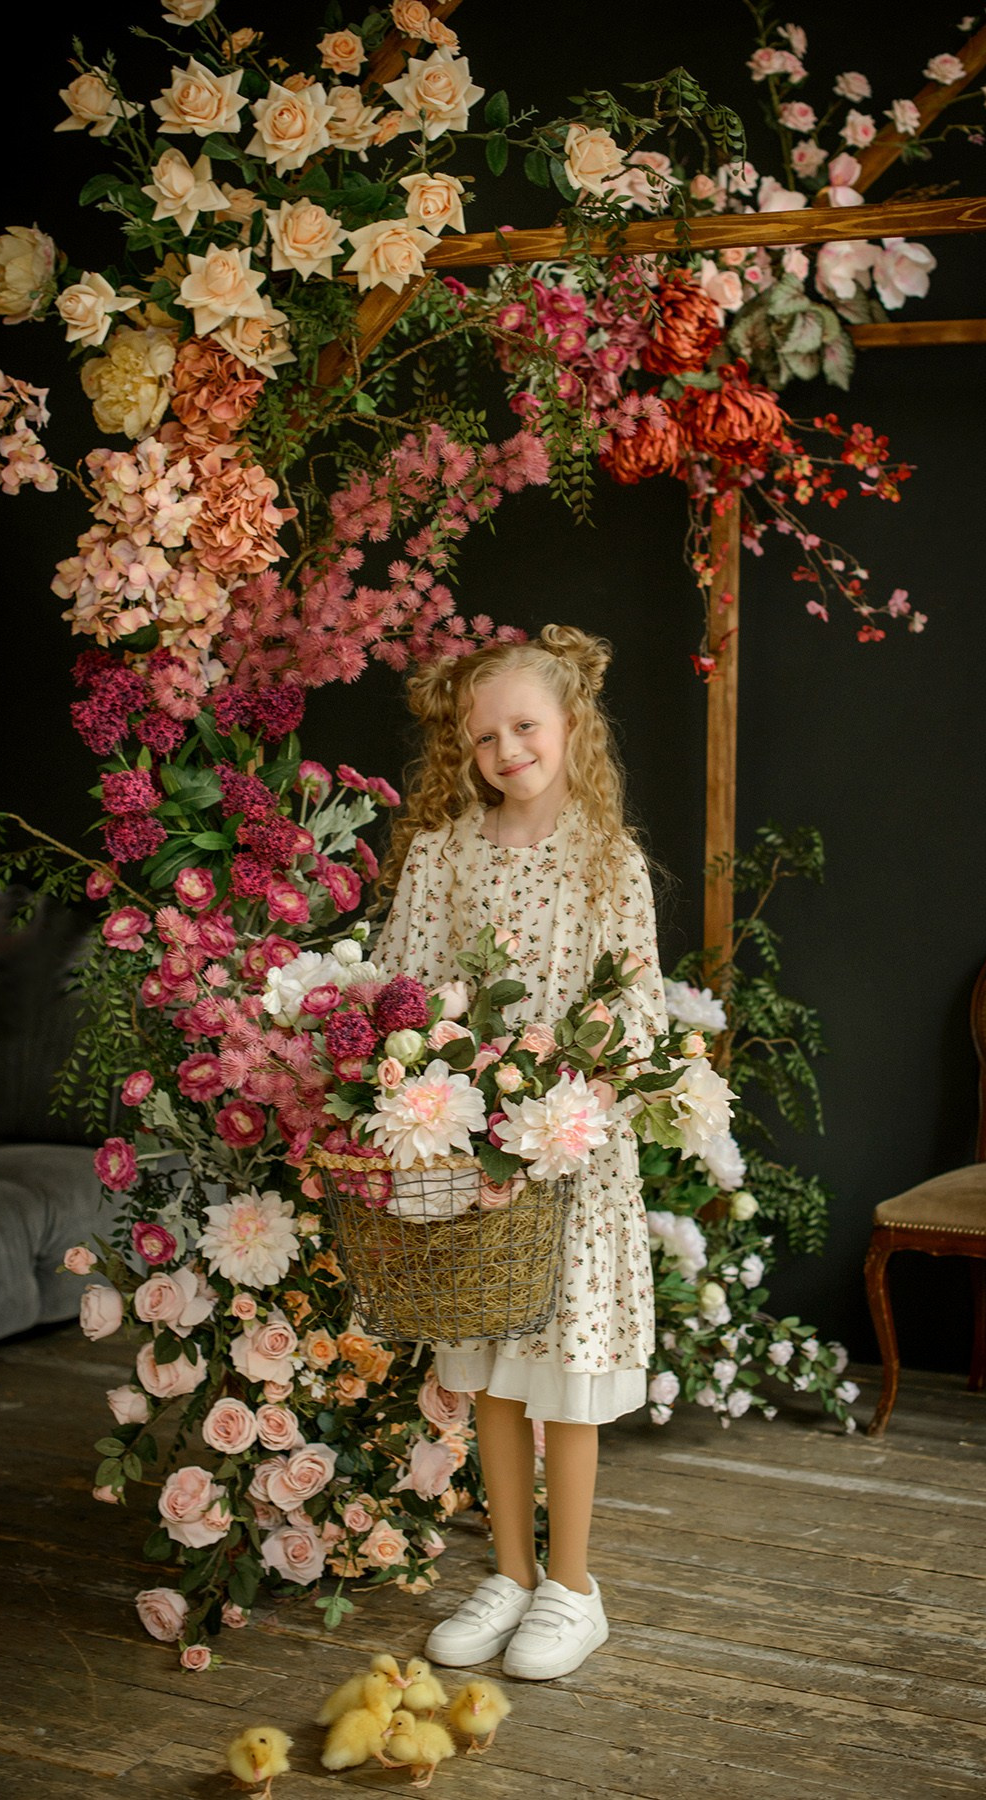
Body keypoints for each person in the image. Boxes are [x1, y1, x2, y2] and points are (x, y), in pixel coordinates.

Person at [372, 623, 668, 1682]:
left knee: (560, 1382)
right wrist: (441, 1097)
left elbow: (632, 1013)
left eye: (525, 727)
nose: (506, 750)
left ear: (571, 725)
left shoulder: (606, 860)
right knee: (491, 1372)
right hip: (469, 1154)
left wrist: (551, 1113)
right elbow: (403, 988)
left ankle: (570, 1588)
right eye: (484, 735)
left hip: (567, 1161)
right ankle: (505, 1570)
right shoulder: (446, 855)